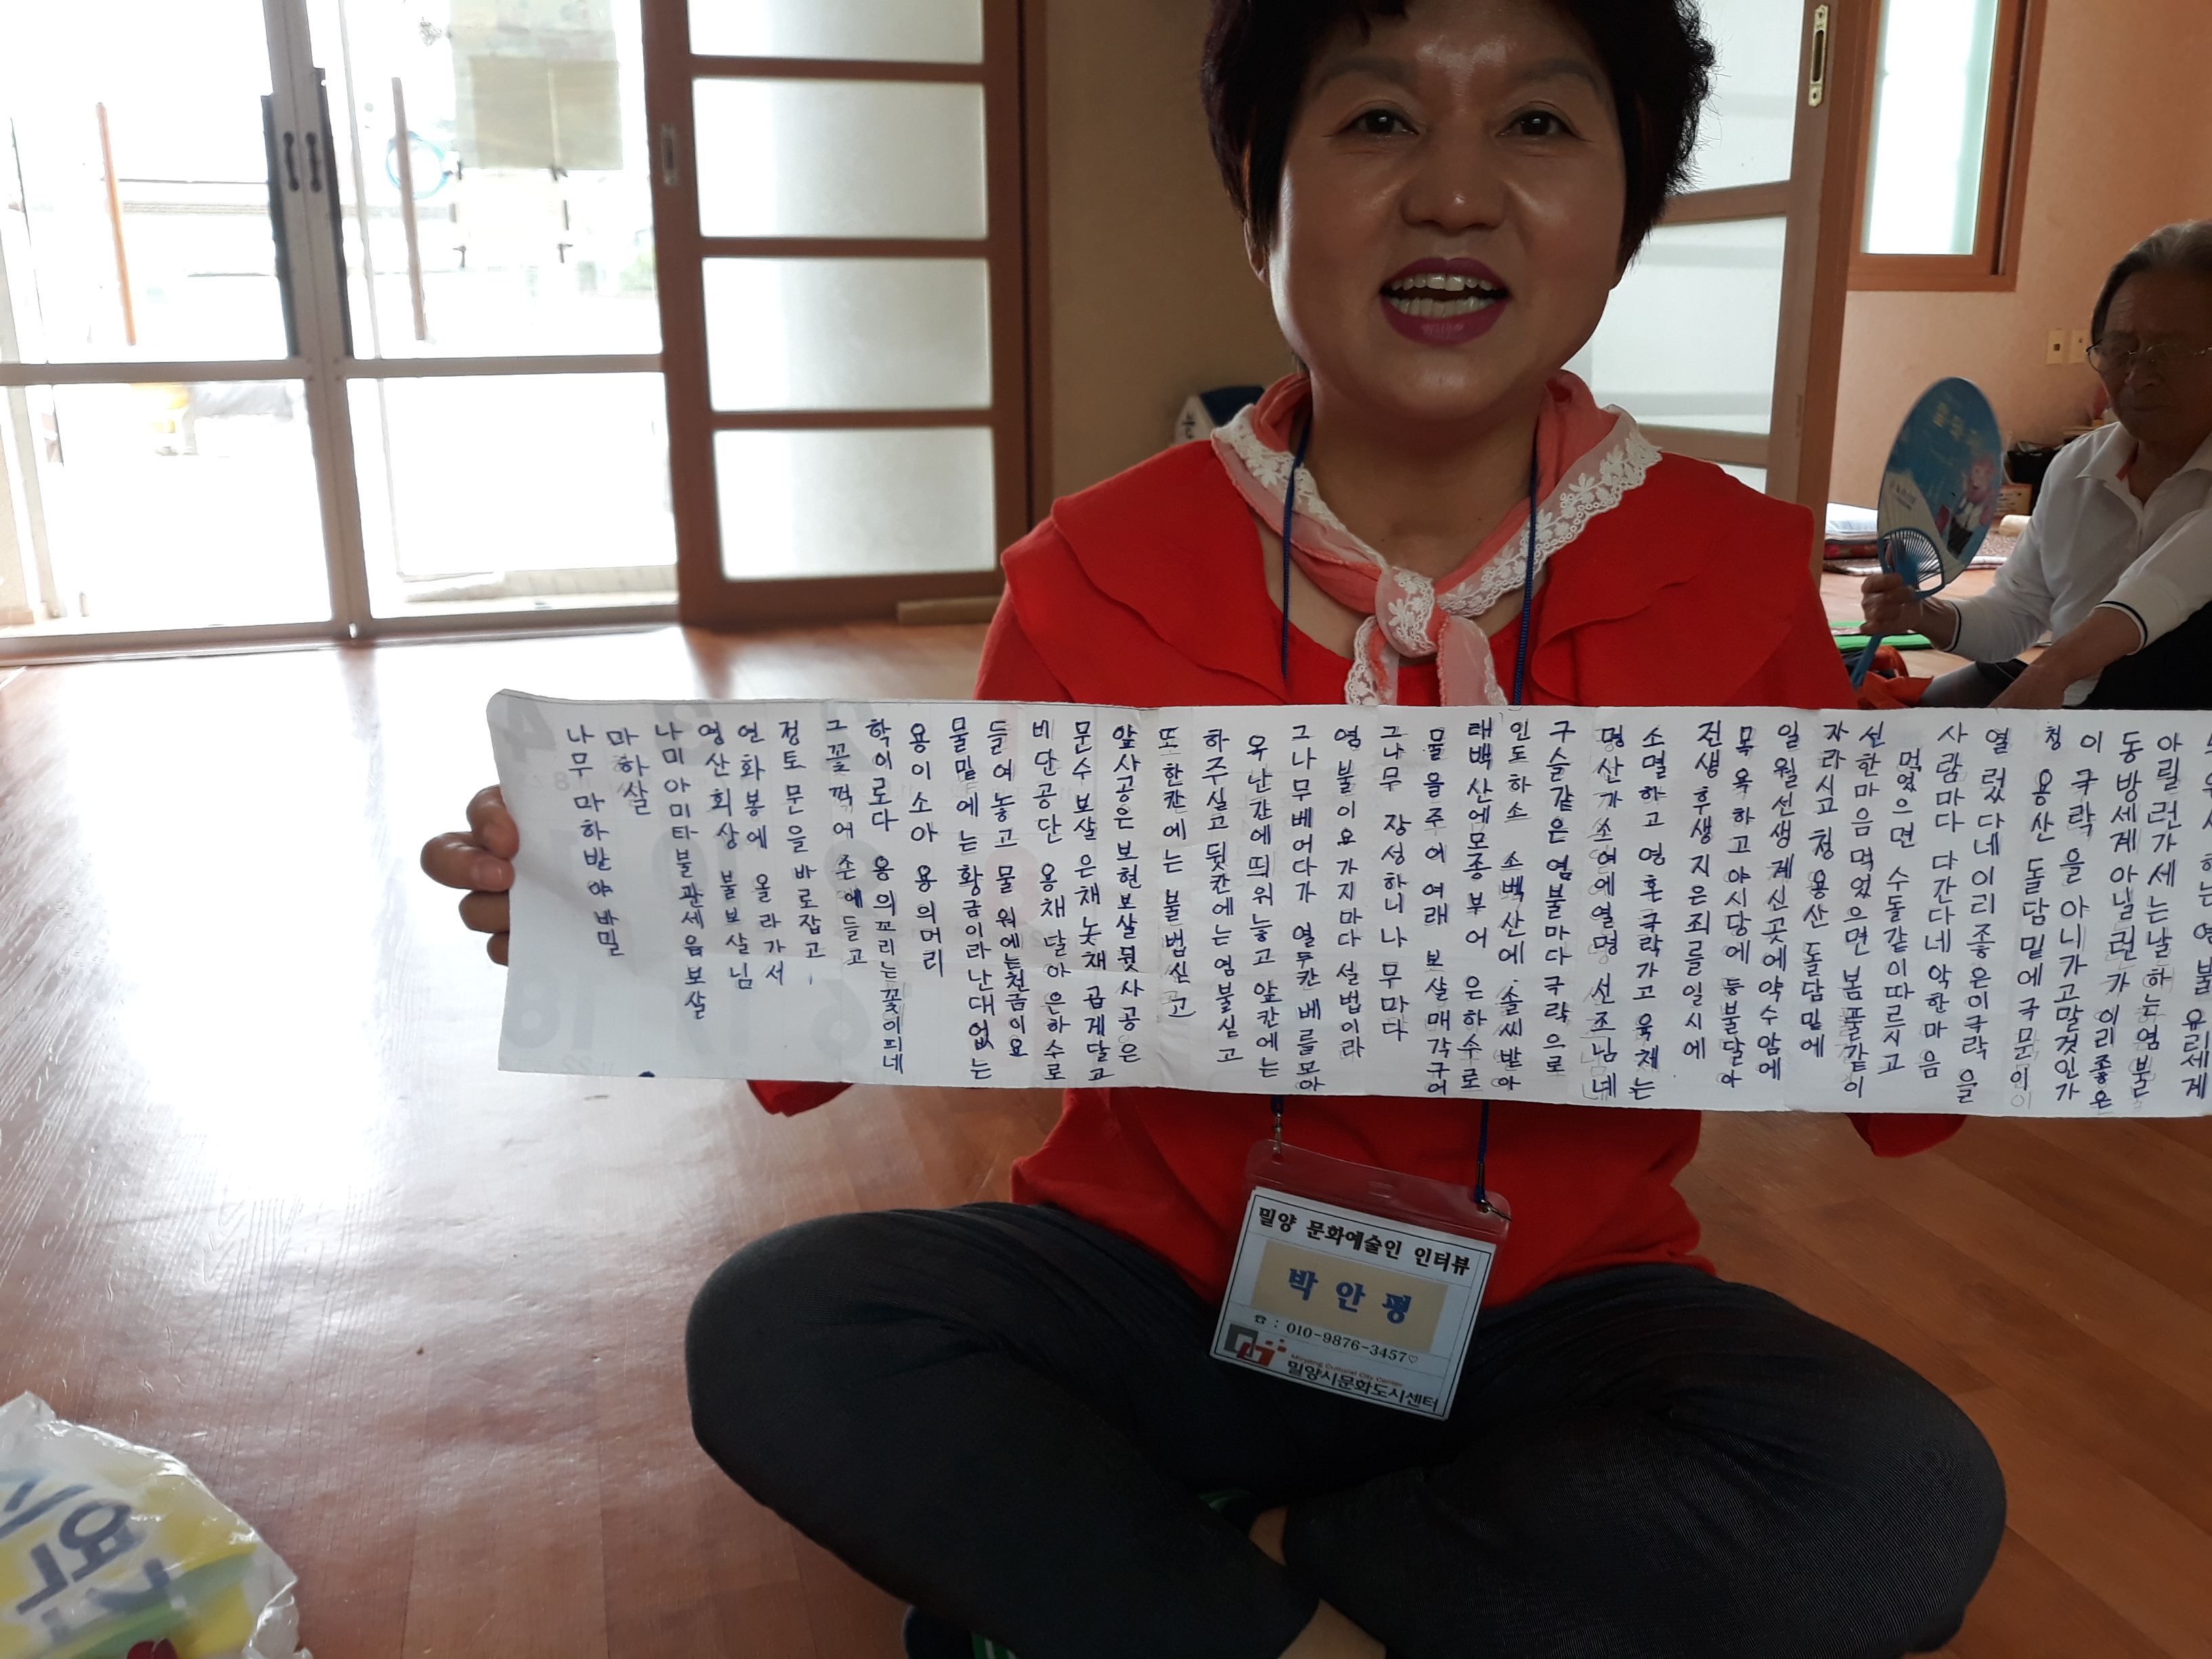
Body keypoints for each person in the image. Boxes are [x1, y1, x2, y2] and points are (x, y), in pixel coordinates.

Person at [422, 4, 2005, 1655]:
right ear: (1262, 196)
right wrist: (638, 899)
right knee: (788, 1324)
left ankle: (1197, 1584)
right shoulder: (1095, 571)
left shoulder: (1733, 574)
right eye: (1377, 120)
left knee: (1901, 1495)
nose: (1455, 192)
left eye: (1539, 125)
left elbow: (1894, 1037)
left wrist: (1992, 899)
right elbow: (911, 925)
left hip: (1552, 1317)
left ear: (1627, 208)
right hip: (1157, 1291)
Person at [1863, 220, 2212, 711]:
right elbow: (2015, 615)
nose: (2137, 376)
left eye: (2170, 353)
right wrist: (1921, 614)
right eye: (2119, 350)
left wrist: (2053, 669)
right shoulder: (2076, 468)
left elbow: (2169, 581)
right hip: (2067, 714)